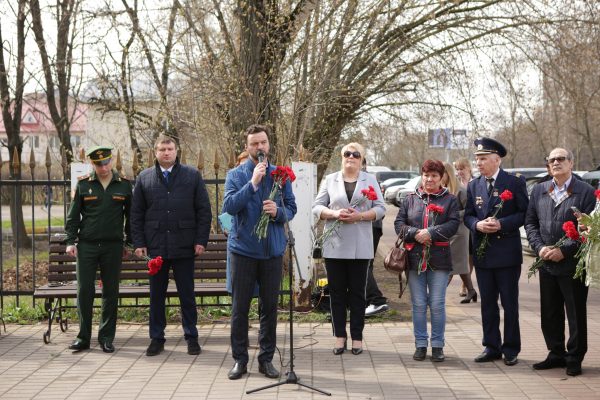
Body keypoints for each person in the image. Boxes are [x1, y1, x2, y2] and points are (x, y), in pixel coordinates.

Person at [222, 125, 297, 380]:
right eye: (254, 144)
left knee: (269, 308)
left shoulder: (280, 175)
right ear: (248, 147)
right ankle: (240, 361)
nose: (260, 147)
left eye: (263, 142)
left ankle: (266, 360)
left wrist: (278, 212)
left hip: (272, 252)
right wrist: (253, 184)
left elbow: (291, 208)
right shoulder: (236, 175)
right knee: (240, 309)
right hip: (243, 251)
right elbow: (230, 206)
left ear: (269, 144)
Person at [131, 135, 212, 357]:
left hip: (185, 246)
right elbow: (136, 214)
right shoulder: (144, 177)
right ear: (155, 152)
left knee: (187, 294)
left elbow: (204, 211)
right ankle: (156, 338)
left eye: (170, 149)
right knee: (156, 295)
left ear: (177, 151)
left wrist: (200, 240)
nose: (166, 152)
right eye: (162, 149)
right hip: (156, 247)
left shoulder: (192, 176)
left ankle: (191, 337)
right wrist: (139, 242)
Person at [525, 148, 594, 377]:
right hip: (546, 262)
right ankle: (556, 353)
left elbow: (590, 230)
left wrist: (565, 250)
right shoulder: (540, 190)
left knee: (575, 313)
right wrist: (540, 247)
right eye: (552, 160)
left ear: (571, 163)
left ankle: (574, 357)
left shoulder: (584, 192)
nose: (556, 162)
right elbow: (531, 223)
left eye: (561, 159)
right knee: (550, 311)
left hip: (573, 264)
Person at [312, 143, 385, 356]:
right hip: (335, 244)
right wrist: (335, 214)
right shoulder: (330, 179)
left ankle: (357, 337)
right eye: (347, 154)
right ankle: (339, 336)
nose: (350, 157)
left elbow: (380, 209)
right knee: (336, 293)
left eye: (355, 154)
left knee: (357, 293)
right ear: (341, 157)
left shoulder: (369, 180)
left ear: (362, 159)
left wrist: (360, 216)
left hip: (360, 245)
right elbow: (317, 207)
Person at [464, 137, 528, 366]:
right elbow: (468, 215)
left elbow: (524, 213)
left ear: (496, 159)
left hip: (507, 253)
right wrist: (476, 225)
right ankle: (491, 346)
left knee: (509, 303)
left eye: (483, 159)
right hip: (483, 254)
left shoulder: (514, 182)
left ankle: (510, 348)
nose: (479, 163)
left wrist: (502, 224)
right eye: (477, 159)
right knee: (488, 303)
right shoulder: (474, 185)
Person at [65, 146, 132, 353]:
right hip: (87, 245)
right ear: (92, 164)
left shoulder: (124, 186)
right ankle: (83, 337)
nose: (103, 167)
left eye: (106, 162)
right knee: (85, 290)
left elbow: (131, 218)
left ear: (111, 162)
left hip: (113, 246)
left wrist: (128, 243)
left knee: (110, 291)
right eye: (98, 163)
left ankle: (106, 337)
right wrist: (70, 241)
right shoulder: (84, 185)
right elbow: (73, 216)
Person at [394, 160, 460, 362]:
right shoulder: (411, 198)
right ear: (421, 176)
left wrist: (431, 232)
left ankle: (438, 345)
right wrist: (415, 233)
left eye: (434, 176)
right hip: (414, 259)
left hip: (439, 259)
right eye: (426, 175)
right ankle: (420, 344)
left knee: (437, 303)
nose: (429, 179)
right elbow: (399, 223)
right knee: (419, 303)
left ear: (442, 178)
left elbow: (453, 225)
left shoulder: (450, 200)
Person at [443, 162, 478, 303]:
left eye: (441, 174)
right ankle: (471, 290)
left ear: (448, 174)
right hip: (448, 231)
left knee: (450, 264)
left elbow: (470, 210)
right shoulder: (444, 190)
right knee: (461, 264)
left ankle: (435, 294)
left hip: (460, 232)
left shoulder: (461, 191)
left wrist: (453, 215)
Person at [361, 158, 389, 317]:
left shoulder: (366, 179)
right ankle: (368, 299)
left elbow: (380, 206)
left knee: (364, 264)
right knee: (366, 264)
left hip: (369, 226)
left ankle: (376, 300)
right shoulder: (368, 178)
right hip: (373, 227)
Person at [453, 157, 475, 297]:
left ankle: (466, 285)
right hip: (461, 226)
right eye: (457, 169)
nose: (460, 172)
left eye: (462, 168)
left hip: (474, 224)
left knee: (471, 256)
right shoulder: (456, 185)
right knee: (464, 256)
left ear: (469, 168)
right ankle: (467, 286)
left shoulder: (476, 183)